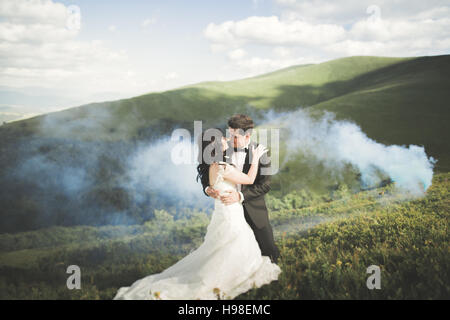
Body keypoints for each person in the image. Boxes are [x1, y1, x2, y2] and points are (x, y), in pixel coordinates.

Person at [113, 126, 281, 300]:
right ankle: (225, 277)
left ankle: (224, 271)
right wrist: (256, 158)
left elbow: (219, 182)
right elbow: (249, 179)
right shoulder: (223, 166)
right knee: (232, 243)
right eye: (223, 139)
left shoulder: (212, 165)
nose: (226, 140)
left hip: (225, 211)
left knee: (222, 245)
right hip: (230, 212)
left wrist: (211, 188)